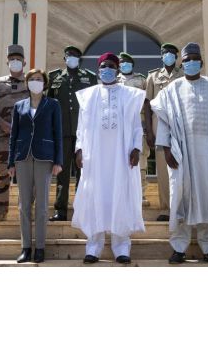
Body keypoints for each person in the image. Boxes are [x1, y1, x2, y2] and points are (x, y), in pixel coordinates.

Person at [150, 43, 208, 265]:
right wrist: (166, 150)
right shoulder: (171, 90)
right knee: (180, 198)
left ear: (201, 63)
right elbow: (163, 120)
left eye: (195, 59)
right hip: (181, 154)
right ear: (182, 64)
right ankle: (179, 247)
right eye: (187, 60)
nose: (191, 63)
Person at [72, 52, 145, 264]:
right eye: (103, 66)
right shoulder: (88, 95)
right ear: (98, 69)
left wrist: (136, 148)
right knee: (95, 196)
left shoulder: (130, 95)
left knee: (120, 196)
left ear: (118, 69)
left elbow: (136, 126)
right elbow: (81, 127)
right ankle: (93, 247)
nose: (107, 69)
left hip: (121, 157)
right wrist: (78, 150)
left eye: (112, 66)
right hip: (94, 157)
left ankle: (121, 247)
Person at [8, 69, 63, 263]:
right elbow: (13, 135)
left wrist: (58, 160)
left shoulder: (53, 104)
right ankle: (26, 248)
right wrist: (10, 162)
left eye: (39, 79)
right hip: (22, 158)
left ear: (45, 83)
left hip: (44, 157)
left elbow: (58, 133)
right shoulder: (19, 106)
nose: (35, 82)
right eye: (32, 79)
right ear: (27, 83)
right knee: (24, 205)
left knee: (41, 206)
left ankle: (40, 247)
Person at [47, 46, 97, 221]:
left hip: (82, 132)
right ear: (64, 58)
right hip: (62, 133)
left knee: (82, 173)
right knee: (62, 174)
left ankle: (81, 210)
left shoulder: (89, 78)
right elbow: (49, 105)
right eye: (69, 55)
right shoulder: (54, 78)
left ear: (80, 59)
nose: (72, 58)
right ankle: (60, 211)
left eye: (76, 56)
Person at [0, 45, 29, 222]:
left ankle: (27, 211)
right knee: (3, 173)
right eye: (12, 59)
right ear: (7, 62)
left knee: (27, 176)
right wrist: (2, 124)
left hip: (26, 137)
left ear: (24, 62)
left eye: (18, 59)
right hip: (5, 137)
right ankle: (0, 209)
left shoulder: (31, 81)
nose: (15, 62)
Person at [144, 43, 183, 221]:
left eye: (171, 53)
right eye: (165, 53)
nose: (168, 55)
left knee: (181, 167)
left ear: (176, 56)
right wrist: (149, 132)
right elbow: (147, 104)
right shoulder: (153, 77)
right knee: (162, 169)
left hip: (181, 125)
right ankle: (166, 208)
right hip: (159, 126)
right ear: (161, 56)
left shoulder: (183, 75)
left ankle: (181, 207)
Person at [117, 51, 150, 206]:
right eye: (121, 62)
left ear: (132, 64)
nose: (124, 64)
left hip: (139, 124)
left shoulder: (142, 80)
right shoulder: (114, 80)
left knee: (141, 159)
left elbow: (147, 102)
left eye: (127, 62)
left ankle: (141, 193)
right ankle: (121, 192)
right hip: (119, 127)